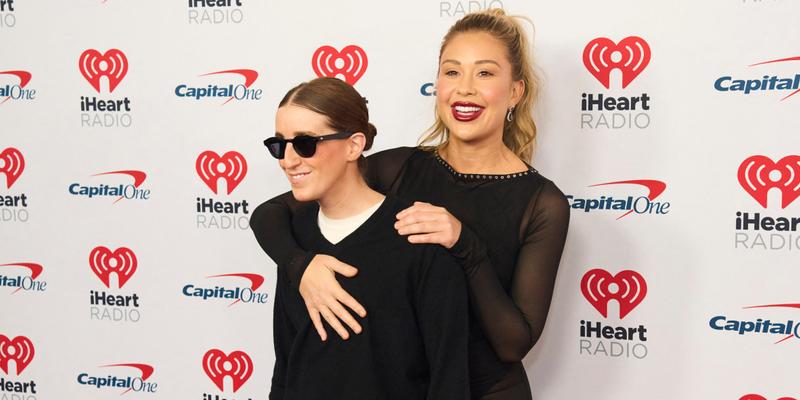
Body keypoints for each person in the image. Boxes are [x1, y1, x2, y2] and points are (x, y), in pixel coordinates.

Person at [251, 9, 570, 400]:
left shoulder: (542, 203)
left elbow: (512, 343)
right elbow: (271, 214)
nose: (464, 88)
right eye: (452, 72)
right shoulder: (398, 167)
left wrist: (466, 246)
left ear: (515, 92)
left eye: (484, 73)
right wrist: (301, 268)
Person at [263, 77, 470, 400]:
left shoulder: (418, 237)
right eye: (279, 144)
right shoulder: (293, 240)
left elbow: (449, 381)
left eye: (305, 143)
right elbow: (286, 366)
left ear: (354, 145)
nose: (288, 160)